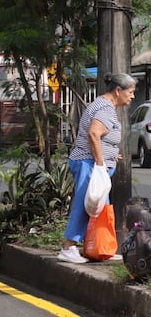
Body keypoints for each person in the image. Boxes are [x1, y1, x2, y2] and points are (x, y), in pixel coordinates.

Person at [58, 72, 138, 263]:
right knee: (86, 204)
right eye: (131, 92)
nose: (133, 96)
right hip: (89, 163)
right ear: (118, 91)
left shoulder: (103, 105)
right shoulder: (105, 108)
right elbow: (94, 133)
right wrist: (101, 162)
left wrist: (110, 153)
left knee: (98, 207)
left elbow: (101, 138)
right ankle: (69, 247)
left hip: (92, 163)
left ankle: (99, 246)